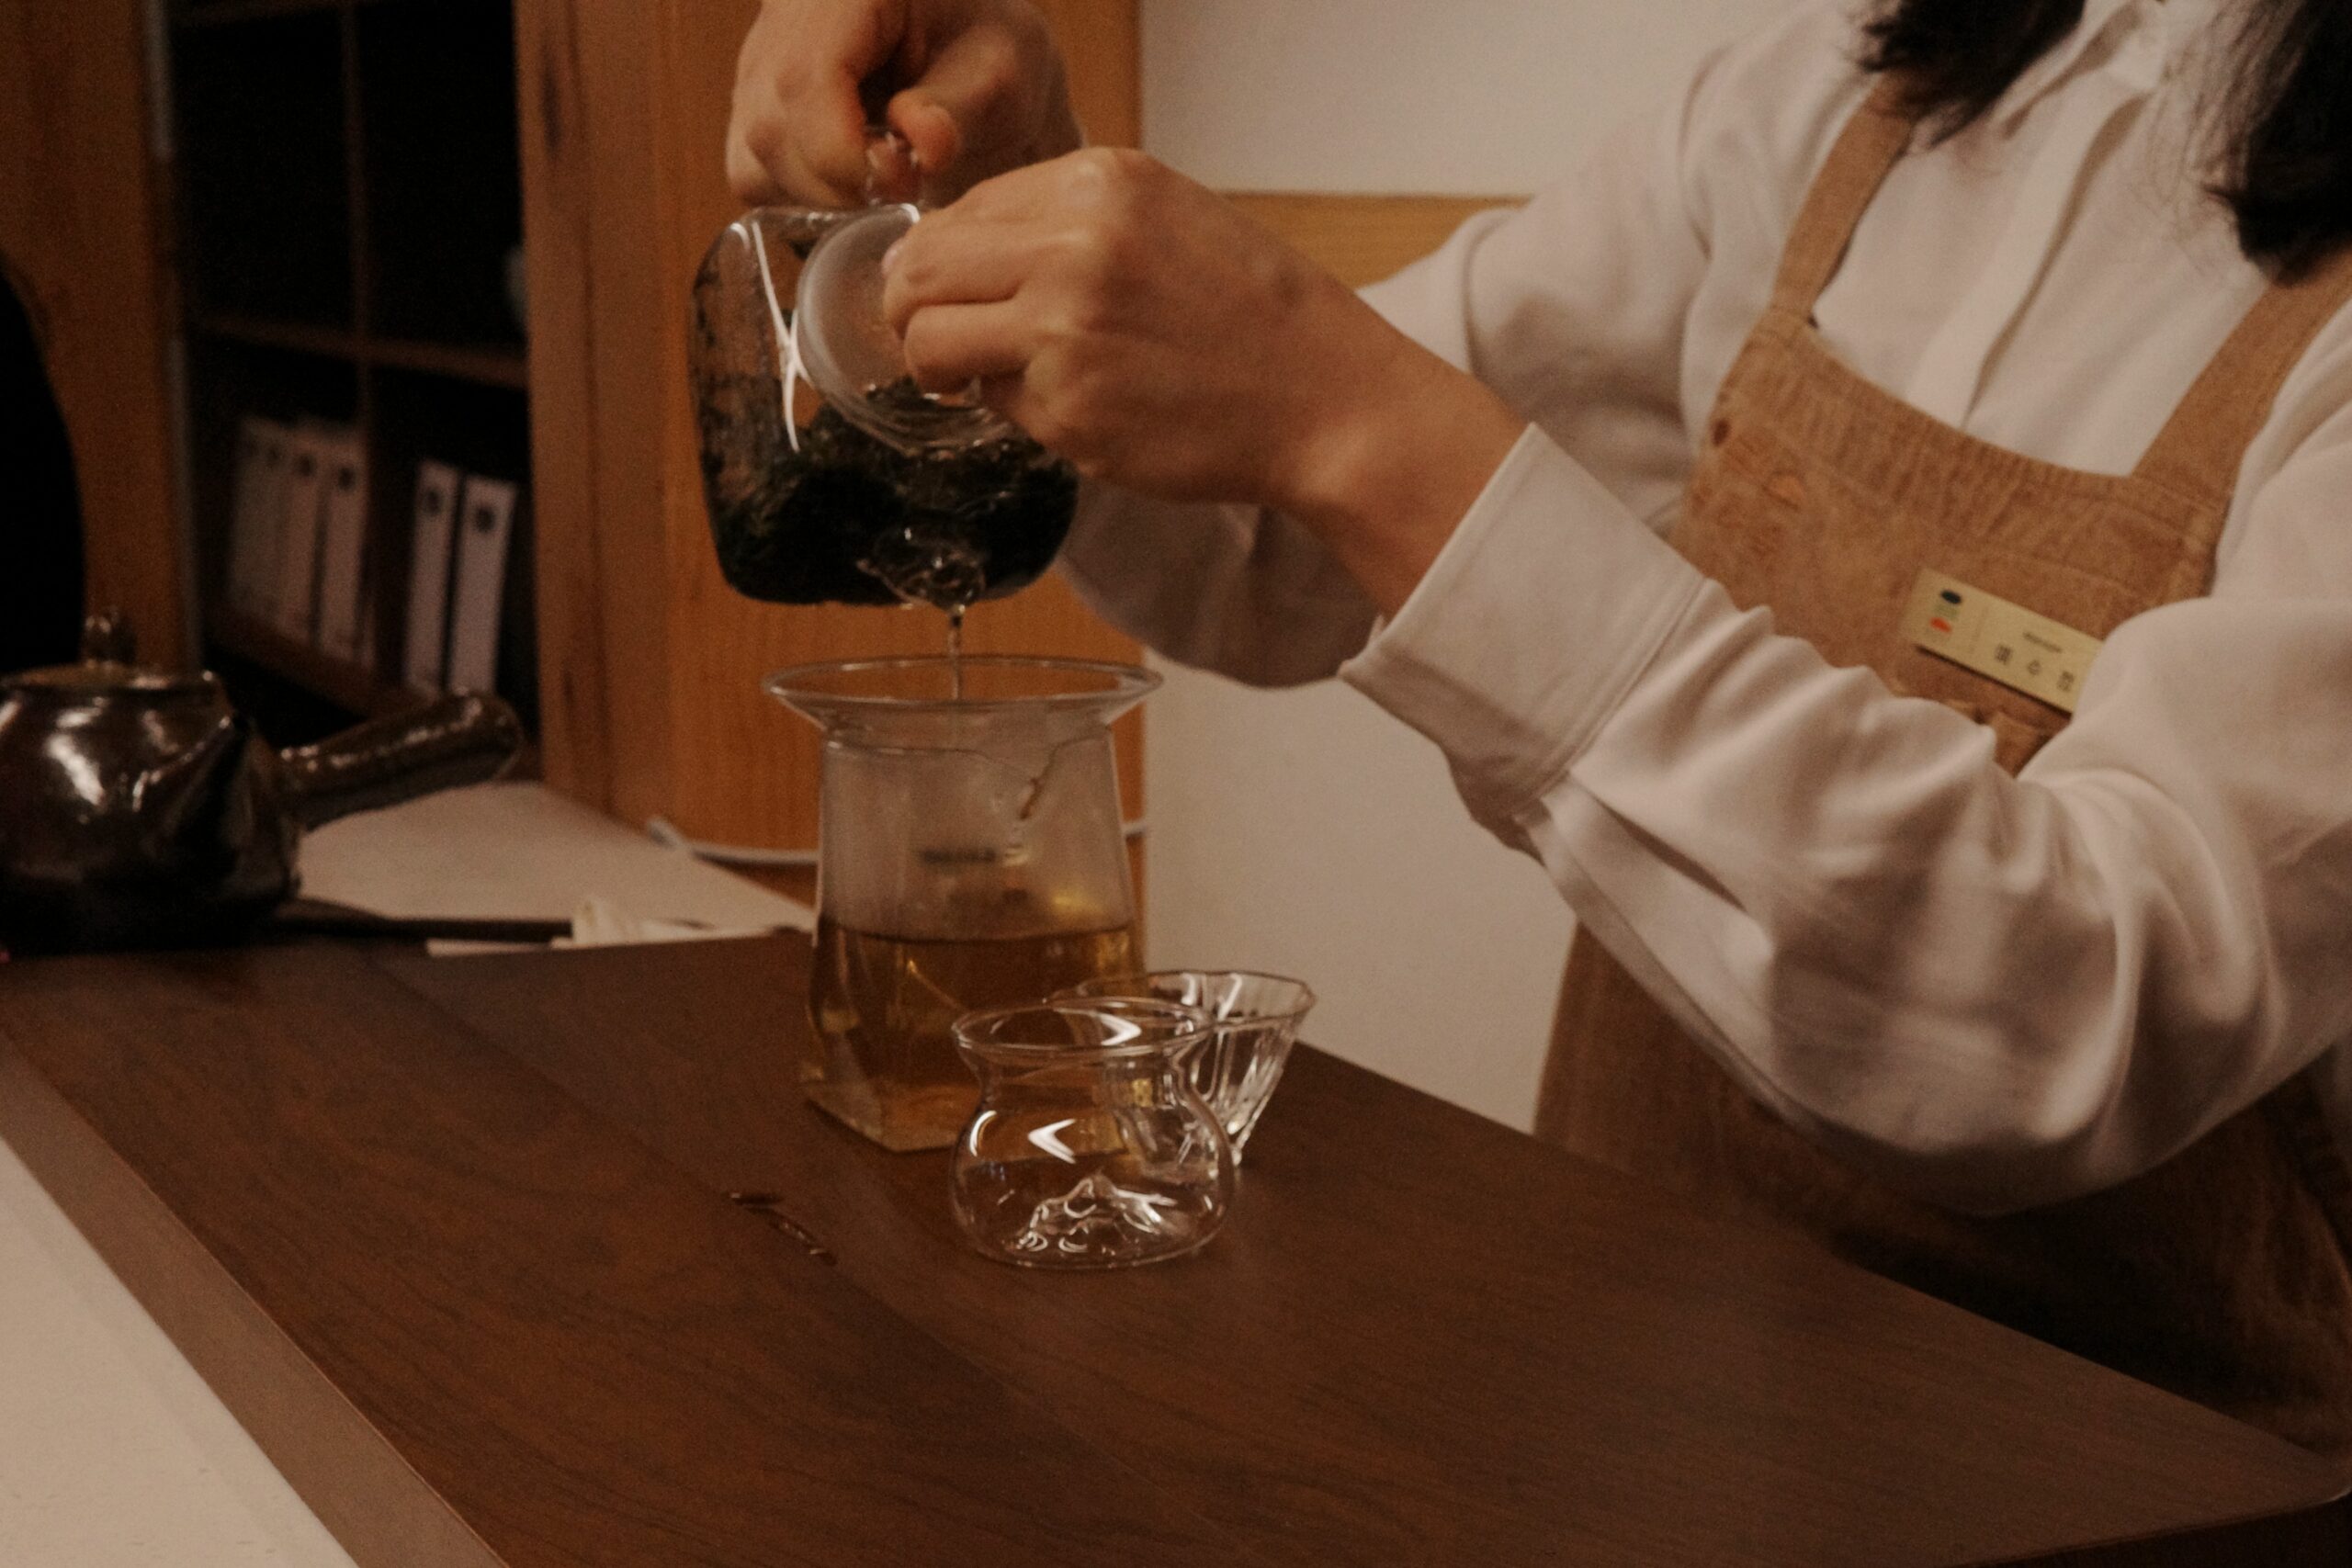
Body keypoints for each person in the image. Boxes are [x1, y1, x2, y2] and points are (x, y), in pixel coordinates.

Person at [729, 0, 2352, 1452]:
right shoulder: (1842, 97)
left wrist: (1361, 427)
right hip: (1645, 1402)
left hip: (2133, 1487)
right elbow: (1265, 555)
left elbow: (2068, 1014)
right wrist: (1015, 221)